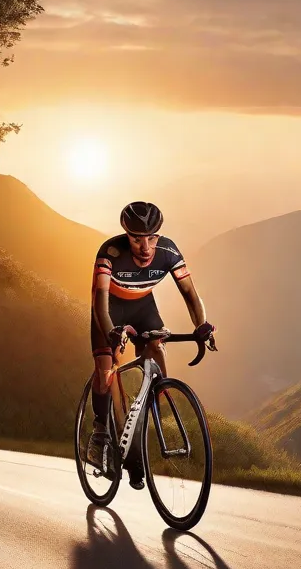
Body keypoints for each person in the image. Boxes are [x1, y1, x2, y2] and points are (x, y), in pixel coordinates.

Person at [86, 201, 215, 488]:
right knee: (107, 370)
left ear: (159, 235)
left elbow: (191, 295)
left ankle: (147, 414)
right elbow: (100, 304)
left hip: (144, 307)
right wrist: (111, 333)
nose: (145, 247)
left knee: (157, 348)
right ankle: (100, 433)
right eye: (136, 239)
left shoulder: (169, 252)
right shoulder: (110, 253)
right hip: (109, 311)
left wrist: (201, 326)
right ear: (126, 235)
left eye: (152, 238)